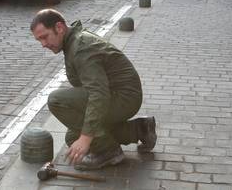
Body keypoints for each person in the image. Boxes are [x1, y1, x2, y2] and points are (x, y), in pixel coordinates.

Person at [30, 9, 157, 171]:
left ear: (59, 27)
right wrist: (83, 137)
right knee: (72, 137)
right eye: (38, 40)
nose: (43, 44)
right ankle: (140, 129)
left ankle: (108, 151)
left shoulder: (80, 47)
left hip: (124, 97)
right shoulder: (73, 41)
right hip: (116, 94)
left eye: (44, 36)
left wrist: (86, 137)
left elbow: (98, 94)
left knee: (57, 100)